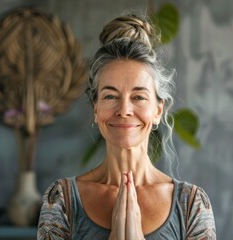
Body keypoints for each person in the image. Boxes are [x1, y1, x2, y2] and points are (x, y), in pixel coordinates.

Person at [37, 13, 216, 240]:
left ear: (158, 111)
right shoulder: (61, 200)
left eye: (139, 97)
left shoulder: (192, 204)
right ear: (96, 108)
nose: (124, 110)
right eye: (110, 96)